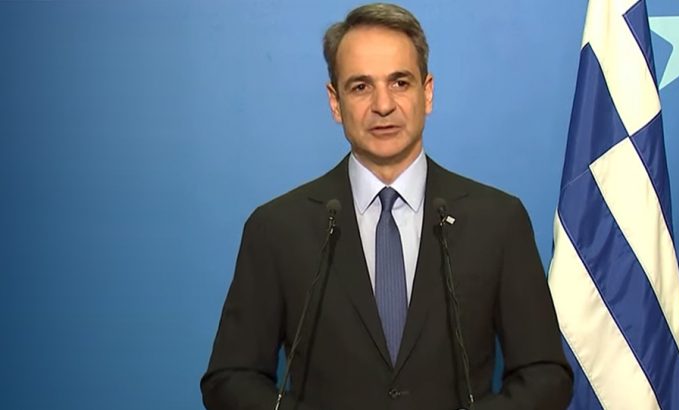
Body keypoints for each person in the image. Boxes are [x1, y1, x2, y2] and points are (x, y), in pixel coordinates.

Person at [201, 3, 572, 409]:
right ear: (335, 102)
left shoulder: (498, 221)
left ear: (427, 93)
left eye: (399, 82)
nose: (383, 105)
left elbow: (545, 374)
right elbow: (229, 380)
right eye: (361, 86)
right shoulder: (277, 229)